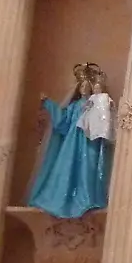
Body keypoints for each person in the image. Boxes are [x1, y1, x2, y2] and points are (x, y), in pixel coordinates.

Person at [27, 63, 114, 219]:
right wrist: (49, 103)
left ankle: (88, 198)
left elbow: (104, 120)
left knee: (88, 167)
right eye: (82, 87)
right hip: (71, 143)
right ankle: (64, 199)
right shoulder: (74, 106)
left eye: (87, 86)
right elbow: (62, 122)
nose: (84, 89)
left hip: (89, 142)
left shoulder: (96, 103)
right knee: (67, 168)